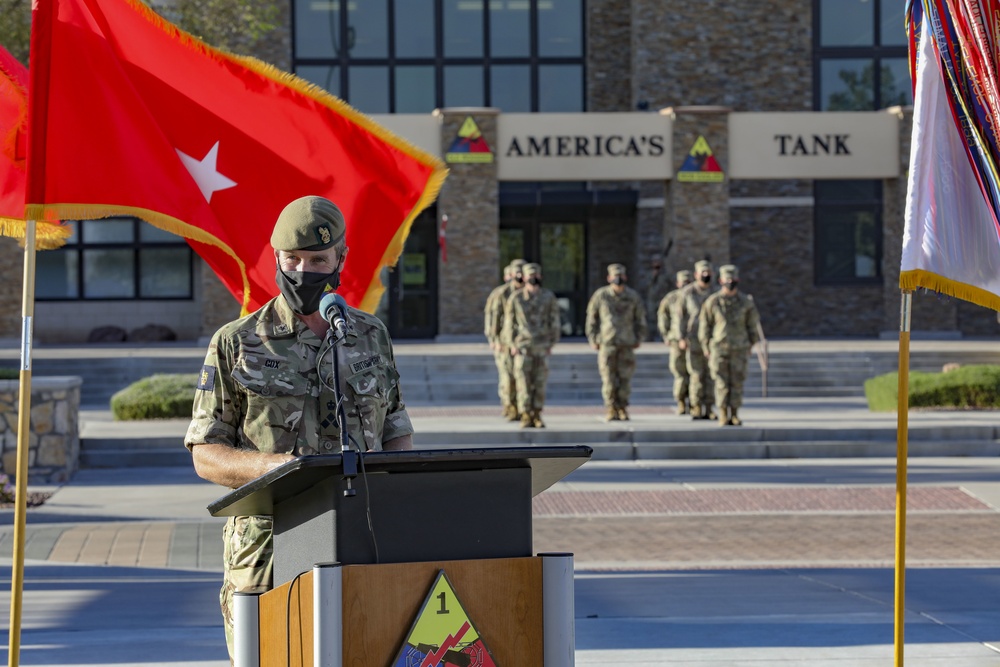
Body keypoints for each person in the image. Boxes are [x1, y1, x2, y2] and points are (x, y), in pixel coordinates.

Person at [183, 195, 414, 660]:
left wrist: (399, 503)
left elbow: (395, 431)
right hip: (267, 549)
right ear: (276, 257)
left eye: (317, 260)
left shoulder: (370, 336)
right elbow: (205, 452)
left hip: (360, 540)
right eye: (292, 259)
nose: (303, 271)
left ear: (340, 260)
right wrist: (282, 468)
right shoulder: (237, 342)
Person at [698, 264, 762, 426]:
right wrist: (706, 347)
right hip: (719, 348)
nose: (730, 282)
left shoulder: (745, 302)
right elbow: (705, 326)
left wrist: (751, 344)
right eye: (727, 280)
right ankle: (723, 413)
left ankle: (734, 413)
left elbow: (752, 324)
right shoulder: (713, 302)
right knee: (721, 383)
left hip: (739, 348)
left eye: (733, 279)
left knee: (737, 382)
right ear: (720, 281)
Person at [586, 263, 647, 421]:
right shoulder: (601, 296)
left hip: (627, 343)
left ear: (625, 277)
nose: (617, 279)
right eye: (614, 276)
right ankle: (611, 408)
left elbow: (640, 319)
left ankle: (623, 408)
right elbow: (592, 319)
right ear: (609, 278)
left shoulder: (632, 297)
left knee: (625, 379)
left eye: (620, 275)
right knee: (608, 379)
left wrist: (639, 338)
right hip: (607, 343)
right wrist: (593, 339)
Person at [503, 262, 560, 428]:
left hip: (541, 347)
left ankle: (537, 414)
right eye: (529, 276)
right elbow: (509, 324)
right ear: (524, 277)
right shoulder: (516, 298)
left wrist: (552, 342)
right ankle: (526, 414)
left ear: (540, 277)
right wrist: (512, 344)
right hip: (523, 347)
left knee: (540, 382)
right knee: (523, 383)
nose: (533, 279)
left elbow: (554, 322)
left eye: (536, 276)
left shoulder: (548, 297)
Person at [484, 259, 525, 420]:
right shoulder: (501, 294)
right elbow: (494, 318)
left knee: (522, 377)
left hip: (522, 343)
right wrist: (494, 340)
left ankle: (523, 408)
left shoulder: (527, 294)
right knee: (507, 377)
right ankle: (509, 407)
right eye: (518, 272)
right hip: (505, 342)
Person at [682, 260, 717, 420]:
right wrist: (680, 337)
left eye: (708, 273)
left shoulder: (716, 293)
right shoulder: (688, 293)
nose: (705, 276)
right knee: (696, 375)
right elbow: (679, 316)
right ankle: (696, 407)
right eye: (702, 273)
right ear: (696, 275)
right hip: (693, 339)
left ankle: (709, 407)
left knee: (711, 375)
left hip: (712, 340)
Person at [657, 269, 693, 415]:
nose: (686, 285)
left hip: (694, 341)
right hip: (676, 342)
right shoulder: (670, 299)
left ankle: (695, 402)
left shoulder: (697, 297)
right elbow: (663, 318)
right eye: (683, 282)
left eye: (688, 282)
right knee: (680, 373)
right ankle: (681, 402)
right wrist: (666, 335)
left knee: (696, 374)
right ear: (677, 283)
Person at [645, 258, 672, 339]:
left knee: (663, 317)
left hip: (662, 299)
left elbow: (670, 286)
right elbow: (647, 285)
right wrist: (654, 276)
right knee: (652, 318)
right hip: (652, 300)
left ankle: (661, 336)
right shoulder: (650, 275)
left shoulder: (665, 276)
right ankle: (651, 336)